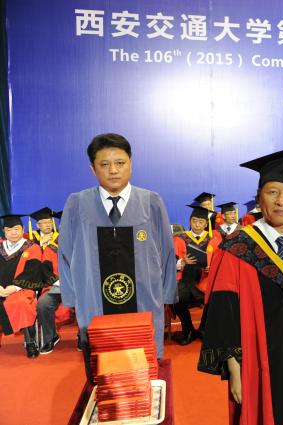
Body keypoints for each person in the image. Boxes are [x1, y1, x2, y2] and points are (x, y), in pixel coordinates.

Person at [198, 149, 283, 425]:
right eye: (273, 192)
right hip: (255, 366)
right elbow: (223, 315)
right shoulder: (236, 248)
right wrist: (234, 370)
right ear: (259, 197)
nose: (282, 201)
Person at [58, 133, 177, 375]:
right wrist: (71, 298)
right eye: (104, 164)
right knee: (102, 374)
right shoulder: (77, 203)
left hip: (144, 302)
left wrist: (167, 293)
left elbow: (167, 250)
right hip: (94, 303)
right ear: (93, 168)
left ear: (131, 163)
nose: (113, 170)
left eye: (120, 163)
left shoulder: (151, 201)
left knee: (145, 374)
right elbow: (66, 254)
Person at [172, 204, 221, 345]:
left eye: (201, 222)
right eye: (194, 221)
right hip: (185, 280)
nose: (197, 224)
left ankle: (204, 328)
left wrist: (212, 268)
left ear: (206, 224)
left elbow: (221, 261)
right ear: (189, 221)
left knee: (217, 296)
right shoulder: (180, 238)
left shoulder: (213, 239)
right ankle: (188, 330)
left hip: (206, 280)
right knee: (177, 297)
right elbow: (171, 263)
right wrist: (182, 262)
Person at [0, 214, 44, 358]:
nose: (13, 233)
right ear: (4, 231)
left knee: (19, 303)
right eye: (9, 230)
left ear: (23, 229)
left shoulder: (32, 248)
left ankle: (30, 342)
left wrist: (14, 288)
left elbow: (33, 271)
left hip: (22, 288)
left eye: (16, 229)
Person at [31, 207, 70, 354]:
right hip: (54, 285)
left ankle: (83, 337)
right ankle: (50, 337)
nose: (48, 225)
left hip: (79, 286)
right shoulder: (50, 247)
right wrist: (58, 282)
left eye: (49, 222)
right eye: (44, 222)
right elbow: (45, 269)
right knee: (43, 304)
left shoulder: (82, 242)